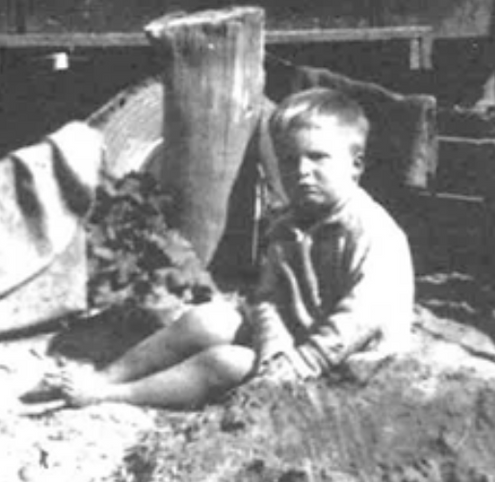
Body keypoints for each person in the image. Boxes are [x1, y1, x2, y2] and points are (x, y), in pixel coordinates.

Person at [49, 87, 415, 409]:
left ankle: (113, 396)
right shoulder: (288, 225)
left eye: (318, 158)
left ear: (356, 165)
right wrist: (274, 346)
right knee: (207, 319)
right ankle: (109, 376)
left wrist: (298, 363)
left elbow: (358, 320)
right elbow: (269, 298)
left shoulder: (372, 232)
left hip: (351, 364)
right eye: (289, 161)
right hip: (297, 342)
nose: (301, 172)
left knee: (223, 362)